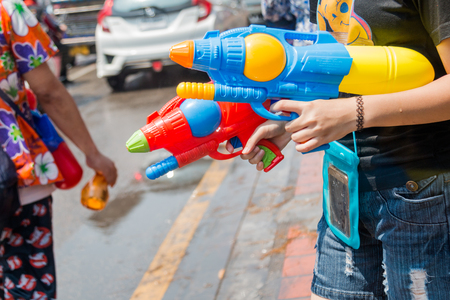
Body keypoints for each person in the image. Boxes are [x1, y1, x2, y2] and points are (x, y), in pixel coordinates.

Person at [229, 0, 450, 299]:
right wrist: (290, 122)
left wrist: (353, 113)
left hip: (420, 191)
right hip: (344, 186)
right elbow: (338, 72)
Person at [0, 0, 118, 298]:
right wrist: (92, 153)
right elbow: (49, 92)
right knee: (28, 285)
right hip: (17, 183)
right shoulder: (7, 12)